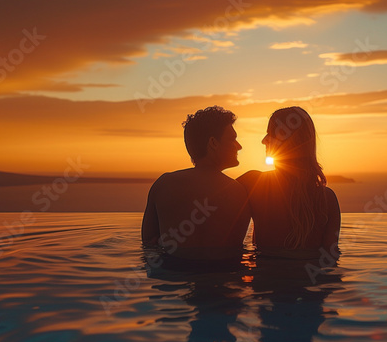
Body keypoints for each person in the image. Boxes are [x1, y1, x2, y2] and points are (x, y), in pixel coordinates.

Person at [141, 106, 251, 266]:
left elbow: (149, 243)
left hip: (172, 276)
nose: (239, 146)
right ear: (213, 143)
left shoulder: (163, 185)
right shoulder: (238, 191)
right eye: (232, 139)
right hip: (223, 278)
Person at [237, 106, 341, 258]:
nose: (263, 140)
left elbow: (213, 198)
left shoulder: (254, 183)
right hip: (311, 280)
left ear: (287, 141)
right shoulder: (328, 199)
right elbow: (330, 260)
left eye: (270, 134)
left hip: (266, 278)